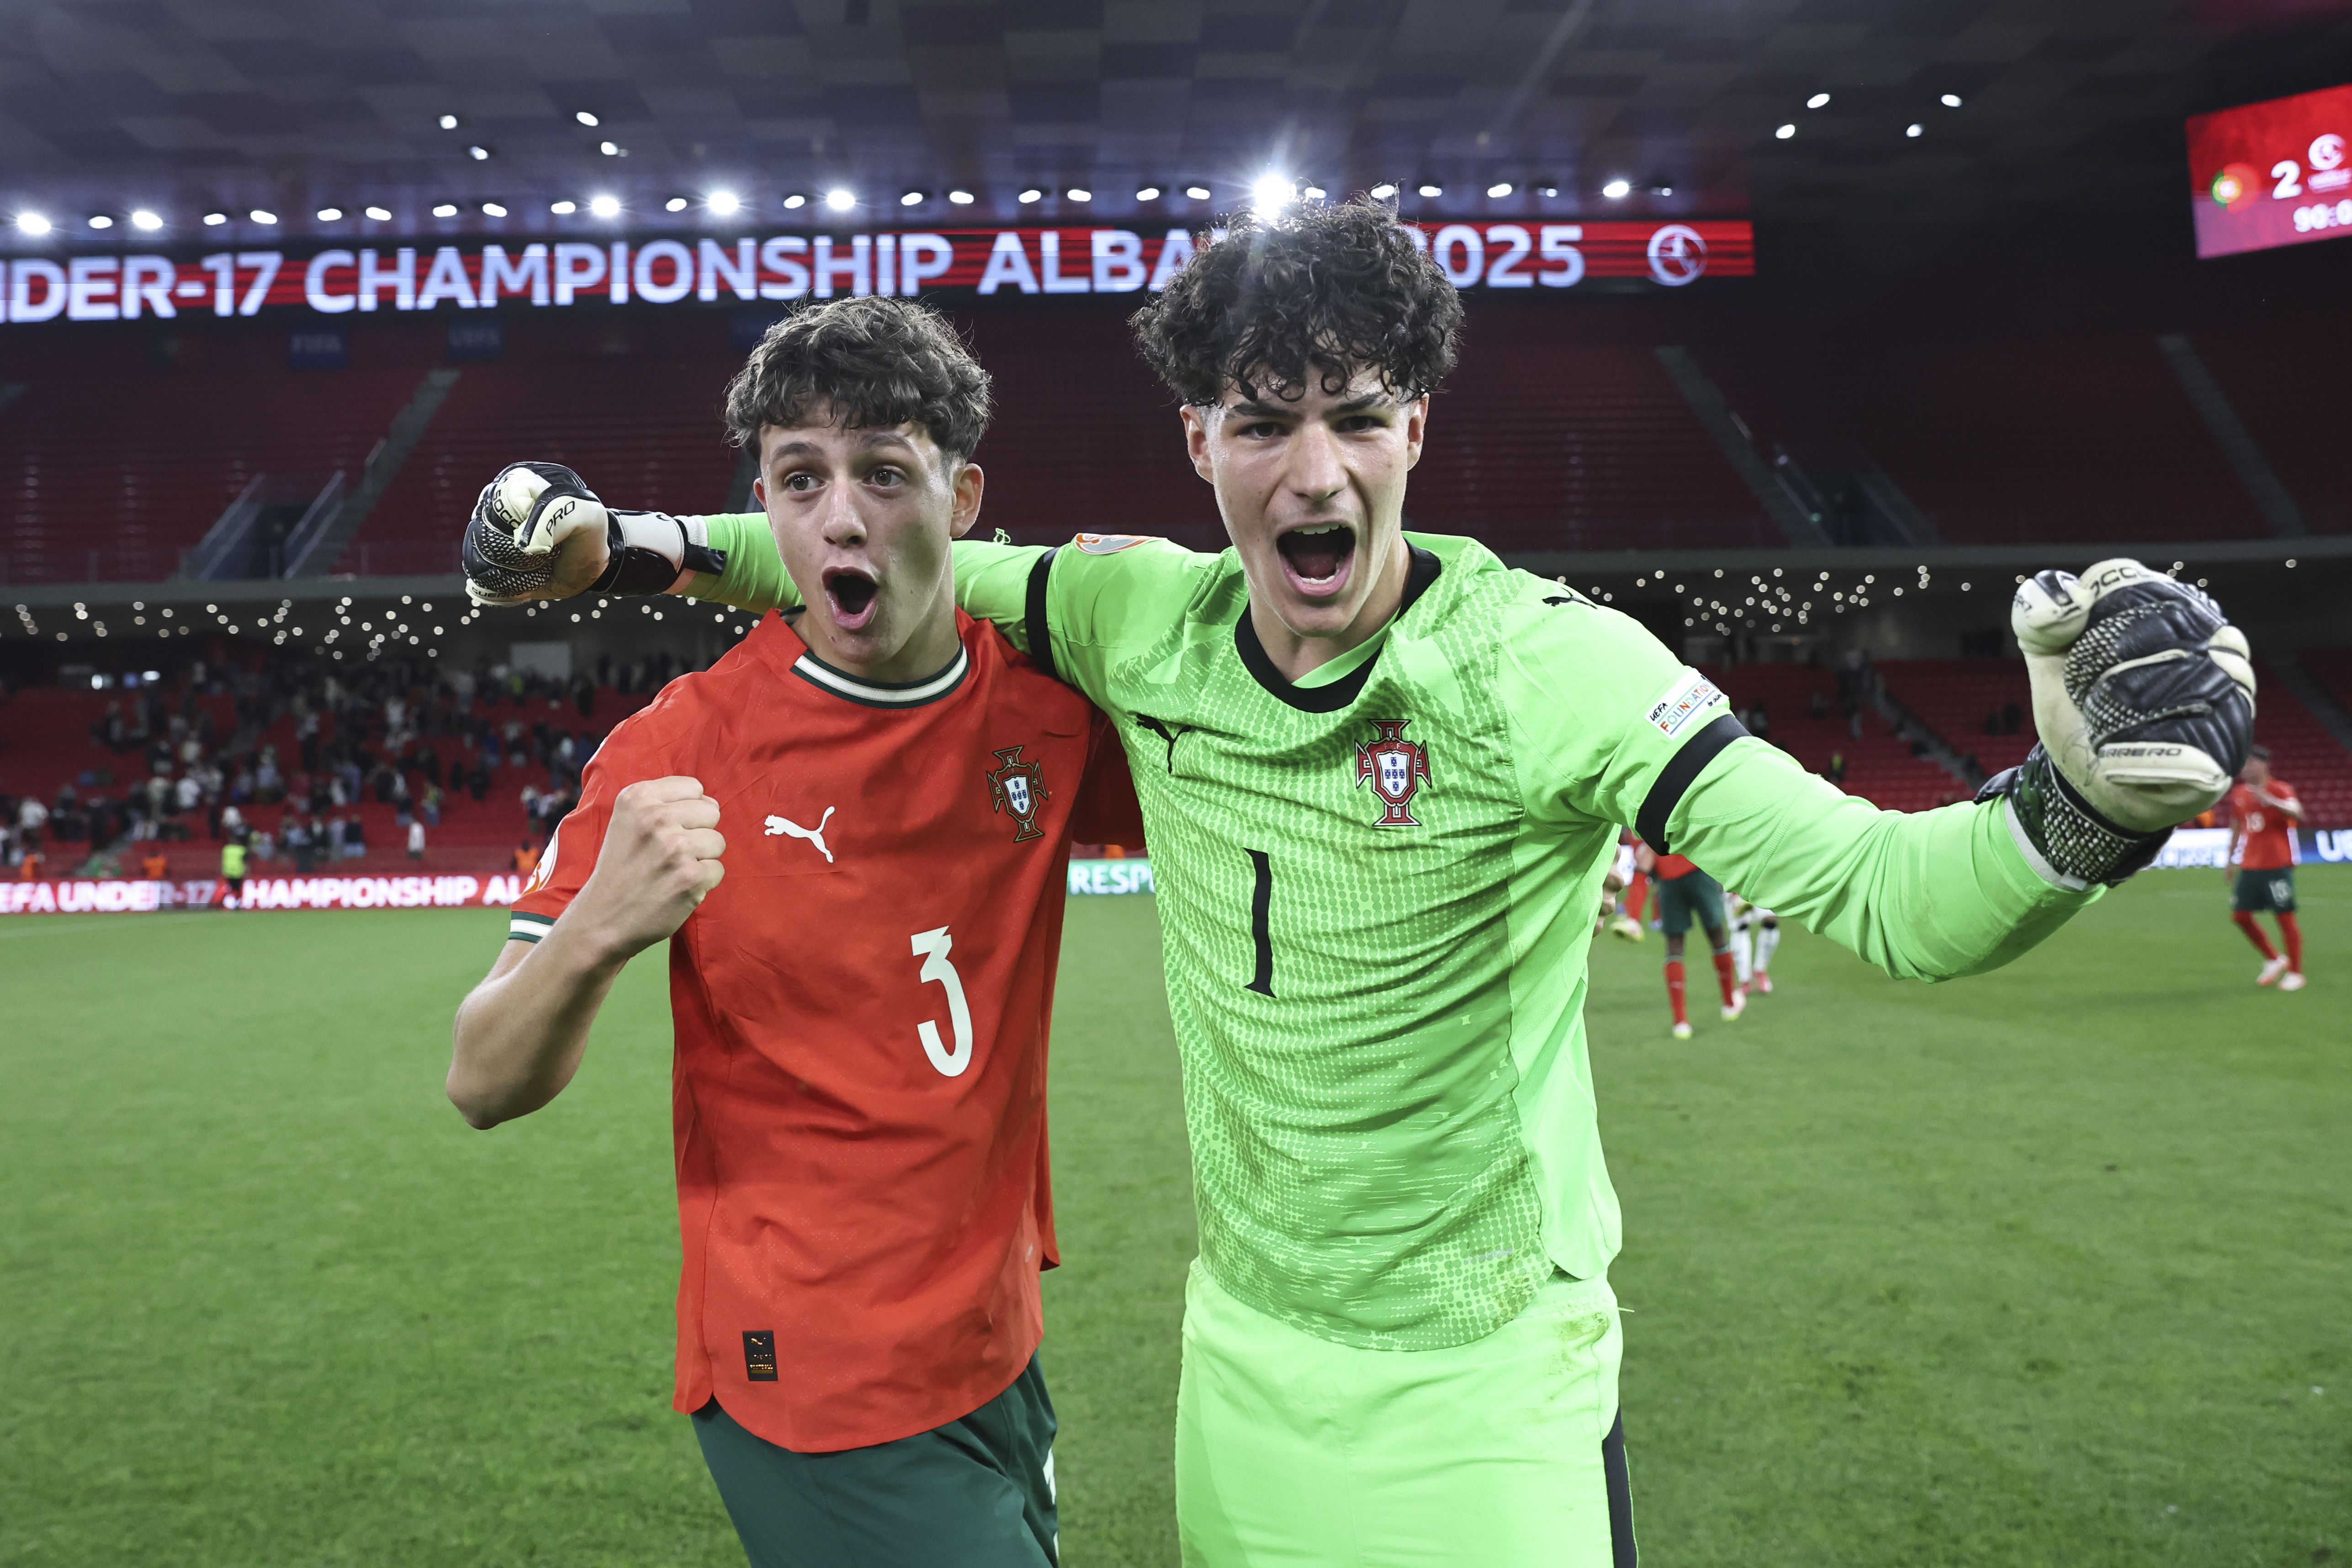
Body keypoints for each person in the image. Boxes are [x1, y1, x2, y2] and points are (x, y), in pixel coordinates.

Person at [465, 199, 2253, 1568]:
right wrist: (621, 545)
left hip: (1487, 1387)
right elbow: (896, 545)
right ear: (1200, 451)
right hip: (1238, 1374)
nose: (1312, 470)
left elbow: (1882, 893)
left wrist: (2075, 813)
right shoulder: (1135, 615)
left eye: (1357, 418)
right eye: (1261, 423)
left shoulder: (1546, 669)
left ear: (1417, 432)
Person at [449, 297, 1140, 1568]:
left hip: (996, 1340)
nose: (840, 516)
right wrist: (596, 930)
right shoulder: (679, 747)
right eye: (799, 479)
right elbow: (480, 1077)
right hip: (805, 1369)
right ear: (764, 510)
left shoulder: (1051, 712)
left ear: (962, 494)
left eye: (883, 473)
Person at [1636, 838, 1742, 1038]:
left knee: (1674, 946)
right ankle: (1729, 1004)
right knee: (1717, 935)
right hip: (1696, 867)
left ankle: (1680, 1022)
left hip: (1667, 874)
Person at [2224, 744, 2306, 991]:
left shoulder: (2280, 789)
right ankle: (2274, 959)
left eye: (2250, 763)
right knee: (2240, 916)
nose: (2245, 769)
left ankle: (2296, 973)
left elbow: (2298, 813)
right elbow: (2237, 825)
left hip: (2277, 865)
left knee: (2285, 918)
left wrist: (2271, 801)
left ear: (2264, 765)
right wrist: (2230, 860)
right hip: (2250, 865)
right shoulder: (2239, 793)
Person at [1728, 893, 1781, 996]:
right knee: (1740, 926)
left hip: (1763, 881)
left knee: (1771, 921)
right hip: (1736, 883)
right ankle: (1745, 980)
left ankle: (1760, 970)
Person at [220, 835, 247, 910]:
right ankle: (233, 903)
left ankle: (234, 904)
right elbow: (246, 862)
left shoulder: (227, 849)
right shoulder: (241, 850)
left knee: (232, 888)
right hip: (235, 872)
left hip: (232, 872)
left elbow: (222, 860)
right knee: (235, 889)